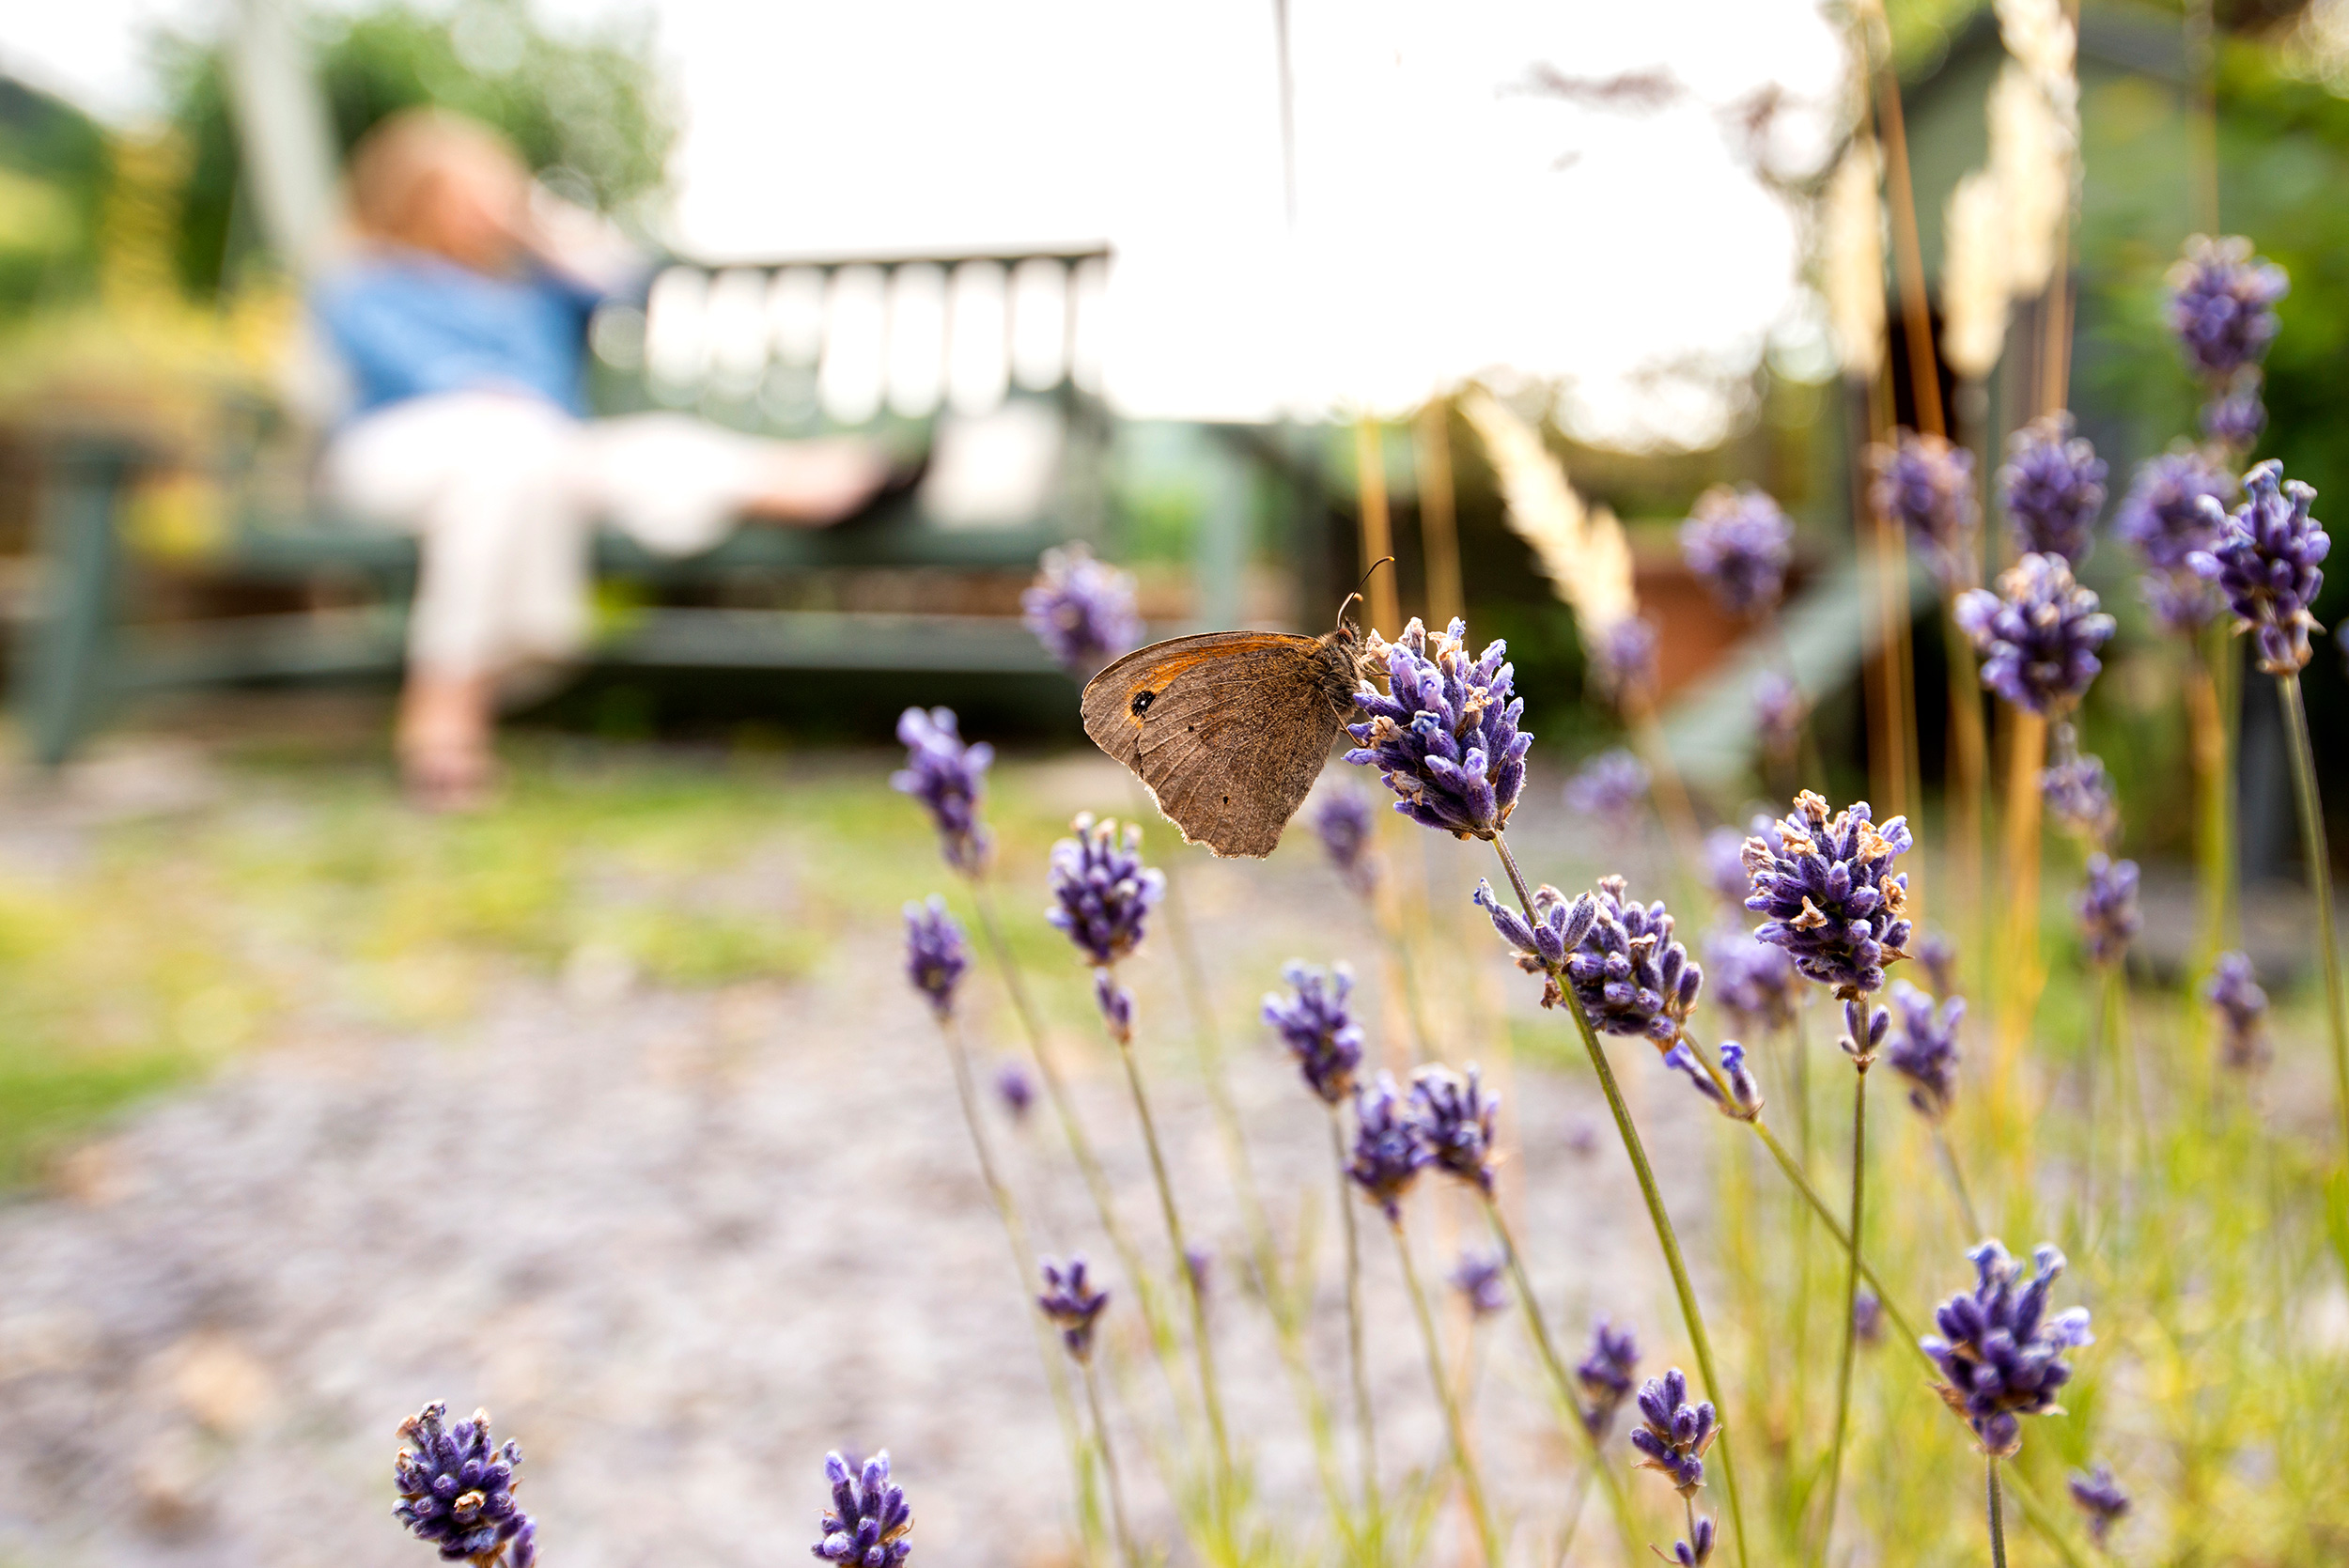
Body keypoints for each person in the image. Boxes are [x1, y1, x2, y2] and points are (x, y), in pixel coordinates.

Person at [310, 108, 888, 808]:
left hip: (540, 453)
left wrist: (538, 226)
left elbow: (629, 280)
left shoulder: (532, 285)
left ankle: (821, 482)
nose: (480, 213)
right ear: (412, 200)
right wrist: (508, 408)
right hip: (406, 448)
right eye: (461, 197)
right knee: (508, 450)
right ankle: (452, 706)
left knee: (644, 447)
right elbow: (430, 378)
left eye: (492, 193)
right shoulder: (368, 280)